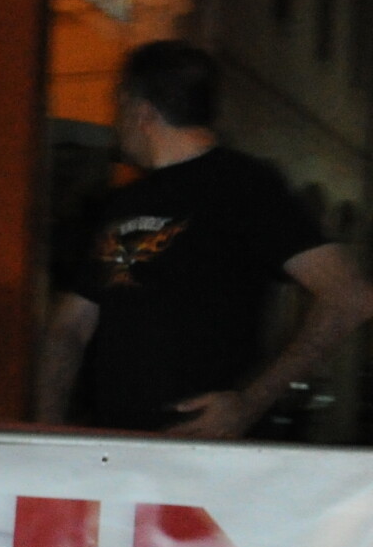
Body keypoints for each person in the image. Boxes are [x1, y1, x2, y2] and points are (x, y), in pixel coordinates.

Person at [37, 41, 373, 437]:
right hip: (117, 452)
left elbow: (350, 296)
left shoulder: (246, 186)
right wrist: (47, 435)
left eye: (118, 106)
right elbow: (70, 327)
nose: (116, 123)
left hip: (211, 458)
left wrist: (250, 403)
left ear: (141, 111)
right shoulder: (121, 203)